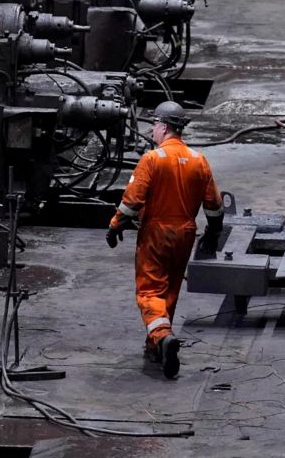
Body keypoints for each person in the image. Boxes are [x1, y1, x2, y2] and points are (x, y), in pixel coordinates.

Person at [106, 101, 223, 378]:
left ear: (165, 127)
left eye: (155, 125)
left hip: (156, 233)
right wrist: (214, 232)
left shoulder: (152, 159)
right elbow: (214, 204)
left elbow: (132, 201)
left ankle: (162, 335)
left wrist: (115, 226)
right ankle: (156, 345)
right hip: (185, 233)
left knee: (150, 291)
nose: (152, 130)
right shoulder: (198, 160)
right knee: (169, 290)